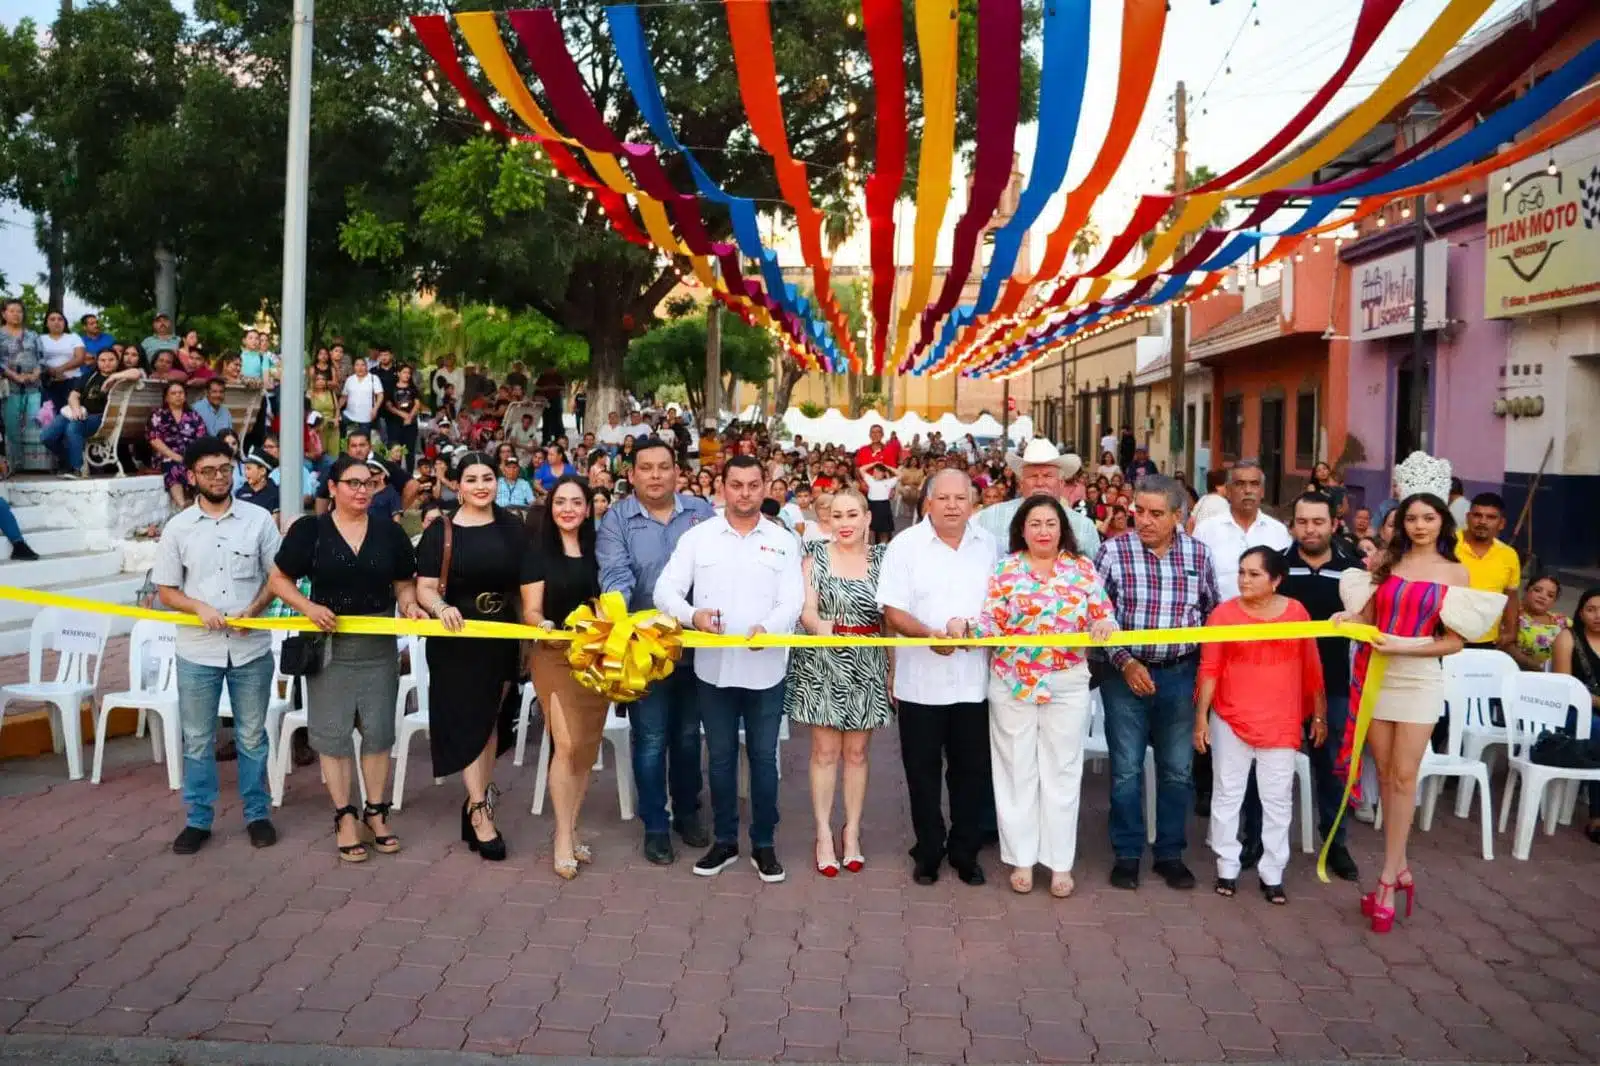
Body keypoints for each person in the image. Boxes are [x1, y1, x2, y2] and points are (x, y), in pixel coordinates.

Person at [1332, 452, 1505, 932]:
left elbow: (1455, 640)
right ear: (1401, 521)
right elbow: (1368, 619)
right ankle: (1399, 865)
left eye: (1429, 517)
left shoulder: (1457, 572)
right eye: (1412, 517)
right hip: (1377, 677)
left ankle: (1388, 876)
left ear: (1442, 520)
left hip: (1420, 680)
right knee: (1386, 776)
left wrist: (1408, 645)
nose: (1421, 524)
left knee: (1405, 777)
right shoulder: (1385, 561)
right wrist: (1348, 619)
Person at [269, 455, 426, 862]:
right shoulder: (311, 530)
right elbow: (278, 579)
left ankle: (375, 812)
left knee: (377, 733)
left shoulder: (389, 534)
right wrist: (308, 607)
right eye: (352, 482)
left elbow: (403, 584)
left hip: (377, 646)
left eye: (368, 483)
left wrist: (408, 606)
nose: (361, 490)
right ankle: (343, 815)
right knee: (333, 734)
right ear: (333, 488)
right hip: (329, 645)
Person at [655, 454, 803, 882]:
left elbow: (792, 601)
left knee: (763, 758)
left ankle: (764, 843)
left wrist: (770, 628)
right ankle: (724, 841)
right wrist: (692, 615)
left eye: (753, 485)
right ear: (722, 487)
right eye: (735, 484)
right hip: (714, 669)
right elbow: (666, 589)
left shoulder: (782, 540)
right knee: (718, 759)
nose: (744, 493)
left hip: (766, 668)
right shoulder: (699, 537)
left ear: (765, 488)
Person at [967, 494, 1116, 898]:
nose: (1043, 532)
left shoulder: (1081, 568)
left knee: (1062, 771)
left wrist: (1103, 622)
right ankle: (1022, 859)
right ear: (1022, 529)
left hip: (1066, 682)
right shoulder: (1006, 569)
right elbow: (989, 620)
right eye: (1035, 524)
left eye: (1050, 523)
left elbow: (1103, 613)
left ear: (1062, 528)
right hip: (1013, 681)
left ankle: (1060, 863)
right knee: (1016, 770)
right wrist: (961, 630)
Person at [153, 437, 282, 854]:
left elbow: (277, 579)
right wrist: (198, 606)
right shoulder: (178, 528)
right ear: (191, 477)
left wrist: (256, 609)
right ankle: (198, 819)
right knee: (196, 738)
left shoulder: (259, 519)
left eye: (226, 469)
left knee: (250, 737)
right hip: (197, 650)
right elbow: (166, 591)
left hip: (250, 649)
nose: (219, 477)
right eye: (208, 471)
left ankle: (257, 814)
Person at [1095, 475, 1220, 891]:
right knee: (1126, 770)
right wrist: (1125, 662)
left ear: (1178, 517)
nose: (1144, 521)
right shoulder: (1112, 552)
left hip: (1180, 676)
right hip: (1124, 676)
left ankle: (1170, 853)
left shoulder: (1199, 556)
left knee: (1177, 770)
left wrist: (1200, 677)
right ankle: (1127, 853)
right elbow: (1096, 619)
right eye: (1139, 512)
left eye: (1155, 514)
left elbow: (1210, 616)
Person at [877, 469, 999, 887]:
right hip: (919, 681)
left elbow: (1000, 608)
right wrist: (929, 636)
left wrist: (976, 631)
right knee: (922, 772)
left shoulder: (989, 546)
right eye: (943, 498)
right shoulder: (905, 546)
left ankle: (965, 852)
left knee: (971, 772)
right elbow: (892, 611)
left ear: (972, 503)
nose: (951, 506)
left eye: (960, 498)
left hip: (973, 681)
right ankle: (928, 849)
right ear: (927, 502)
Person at [414, 452, 536, 863]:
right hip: (456, 640)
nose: (481, 485)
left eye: (488, 477)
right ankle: (481, 810)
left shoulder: (512, 528)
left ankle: (475, 799)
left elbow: (524, 589)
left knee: (489, 723)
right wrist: (439, 607)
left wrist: (527, 642)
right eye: (471, 478)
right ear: (458, 485)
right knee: (468, 722)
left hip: (499, 638)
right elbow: (425, 587)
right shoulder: (441, 530)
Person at [596, 437, 712, 864]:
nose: (656, 475)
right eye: (646, 468)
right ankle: (656, 824)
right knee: (650, 739)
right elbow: (615, 575)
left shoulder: (700, 513)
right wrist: (619, 613)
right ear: (632, 474)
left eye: (664, 467)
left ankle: (686, 811)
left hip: (695, 645)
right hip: (643, 649)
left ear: (677, 471)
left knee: (686, 737)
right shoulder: (617, 520)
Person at [1194, 547, 1326, 904]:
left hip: (1281, 720)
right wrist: (1200, 718)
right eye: (1241, 572)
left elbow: (1311, 665)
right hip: (1230, 717)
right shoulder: (1223, 615)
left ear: (1276, 579)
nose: (1244, 580)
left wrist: (1318, 713)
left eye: (1254, 574)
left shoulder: (1296, 613)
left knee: (1277, 799)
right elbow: (1209, 669)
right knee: (1226, 794)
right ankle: (1227, 867)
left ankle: (1273, 872)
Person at [786, 488, 891, 877]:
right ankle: (823, 834)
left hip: (867, 660)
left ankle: (853, 833)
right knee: (825, 752)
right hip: (824, 660)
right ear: (827, 520)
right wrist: (818, 627)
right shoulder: (814, 560)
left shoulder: (883, 560)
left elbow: (891, 616)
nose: (844, 523)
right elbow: (807, 610)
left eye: (852, 515)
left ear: (867, 518)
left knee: (858, 754)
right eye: (837, 515)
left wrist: (892, 668)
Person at [1190, 459, 1292, 834]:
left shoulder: (1279, 533)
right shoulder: (1207, 530)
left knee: (1256, 729)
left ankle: (1253, 821)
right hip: (1219, 639)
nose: (1247, 490)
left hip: (1265, 649)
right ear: (1227, 489)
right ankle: (1207, 788)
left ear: (1263, 490)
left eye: (1254, 483)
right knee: (1213, 713)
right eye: (1240, 484)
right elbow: (1197, 582)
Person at [522, 475, 607, 876]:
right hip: (553, 656)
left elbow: (607, 601)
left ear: (588, 509)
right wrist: (545, 625)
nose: (568, 509)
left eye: (576, 502)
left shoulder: (599, 551)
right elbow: (531, 611)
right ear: (551, 507)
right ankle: (560, 837)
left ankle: (572, 832)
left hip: (594, 659)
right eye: (560, 502)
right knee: (567, 743)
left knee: (585, 749)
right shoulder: (536, 552)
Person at [1280, 492, 1364, 882]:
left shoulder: (1353, 571)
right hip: (1279, 686)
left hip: (1332, 686)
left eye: (1318, 522)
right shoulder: (1277, 567)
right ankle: (1255, 842)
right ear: (1292, 524)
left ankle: (1335, 844)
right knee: (1267, 768)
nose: (1309, 529)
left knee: (1333, 769)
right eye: (1302, 522)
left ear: (1334, 524)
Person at [972, 440, 1100, 559]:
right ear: (1021, 484)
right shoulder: (989, 518)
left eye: (1047, 476)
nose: (1040, 483)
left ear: (1061, 483)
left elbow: (1094, 576)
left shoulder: (1084, 527)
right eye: (1033, 476)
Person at [40, 348, 141, 477]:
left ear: (117, 361)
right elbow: (73, 395)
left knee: (74, 427)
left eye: (111, 360)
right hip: (80, 413)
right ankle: (69, 460)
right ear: (97, 362)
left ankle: (78, 469)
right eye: (102, 360)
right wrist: (76, 409)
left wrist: (113, 377)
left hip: (102, 418)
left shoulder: (122, 376)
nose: (107, 363)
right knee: (47, 436)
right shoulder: (90, 376)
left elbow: (136, 373)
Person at [1550, 588, 1600, 844]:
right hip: (1572, 713)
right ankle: (1597, 816)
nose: (1597, 616)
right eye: (1591, 609)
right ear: (1580, 612)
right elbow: (1565, 688)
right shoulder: (1568, 639)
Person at [1455, 492, 1521, 651]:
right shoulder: (1447, 545)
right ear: (1468, 517)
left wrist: (1511, 631)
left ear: (1502, 523)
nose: (1483, 522)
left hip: (1488, 640)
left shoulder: (1509, 555)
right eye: (1477, 515)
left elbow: (1510, 596)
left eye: (1491, 517)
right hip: (1445, 637)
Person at [148, 381, 208, 509]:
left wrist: (193, 457)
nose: (178, 396)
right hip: (166, 456)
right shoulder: (158, 415)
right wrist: (174, 456)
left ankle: (200, 503)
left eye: (180, 393)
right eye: (173, 393)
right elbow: (154, 439)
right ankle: (182, 504)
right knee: (174, 465)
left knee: (199, 467)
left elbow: (201, 439)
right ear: (166, 397)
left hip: (190, 456)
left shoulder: (194, 416)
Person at [0, 298, 44, 469]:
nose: (16, 314)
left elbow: (42, 358)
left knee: (35, 421)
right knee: (11, 425)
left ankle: (35, 463)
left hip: (33, 385)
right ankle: (14, 464)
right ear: (4, 314)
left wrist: (36, 373)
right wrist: (13, 375)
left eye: (19, 311)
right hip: (9, 386)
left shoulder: (32, 334)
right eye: (12, 311)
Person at [1511, 574, 1568, 672]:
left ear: (1554, 601)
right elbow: (1506, 646)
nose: (1543, 597)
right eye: (1537, 590)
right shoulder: (1513, 616)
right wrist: (1538, 668)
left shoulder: (1562, 621)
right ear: (1526, 590)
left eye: (1550, 595)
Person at [38, 310, 88, 411]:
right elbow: (37, 360)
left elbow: (80, 358)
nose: (56, 322)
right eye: (52, 319)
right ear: (47, 323)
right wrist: (51, 372)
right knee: (49, 415)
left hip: (73, 381)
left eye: (60, 319)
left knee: (71, 412)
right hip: (49, 382)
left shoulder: (73, 337)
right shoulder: (40, 339)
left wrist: (60, 370)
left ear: (64, 323)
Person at [384, 364, 422, 462]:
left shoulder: (413, 388)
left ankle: (409, 474)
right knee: (396, 450)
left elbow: (417, 404)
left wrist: (409, 417)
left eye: (409, 373)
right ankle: (396, 472)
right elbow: (389, 406)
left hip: (411, 424)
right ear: (398, 374)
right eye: (404, 372)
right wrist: (402, 414)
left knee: (410, 450)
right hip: (395, 423)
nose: (407, 375)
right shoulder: (391, 388)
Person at [339, 356, 384, 438]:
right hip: (349, 414)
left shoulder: (373, 378)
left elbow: (380, 395)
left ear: (366, 366)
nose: (360, 368)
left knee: (364, 440)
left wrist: (375, 409)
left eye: (362, 365)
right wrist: (337, 409)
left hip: (366, 417)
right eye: (357, 365)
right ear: (354, 367)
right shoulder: (350, 379)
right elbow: (344, 396)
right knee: (341, 434)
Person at [862, 461, 899, 545]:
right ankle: (870, 549)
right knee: (870, 530)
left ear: (884, 473)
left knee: (884, 531)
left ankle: (882, 550)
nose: (875, 474)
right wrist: (874, 463)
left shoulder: (889, 482)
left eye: (878, 472)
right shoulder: (870, 480)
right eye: (874, 472)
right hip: (872, 506)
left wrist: (887, 466)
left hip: (883, 507)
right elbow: (862, 469)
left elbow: (900, 474)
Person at [235, 452, 281, 516]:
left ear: (262, 471)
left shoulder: (275, 493)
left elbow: (274, 521)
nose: (245, 473)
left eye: (248, 469)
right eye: (245, 469)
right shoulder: (240, 492)